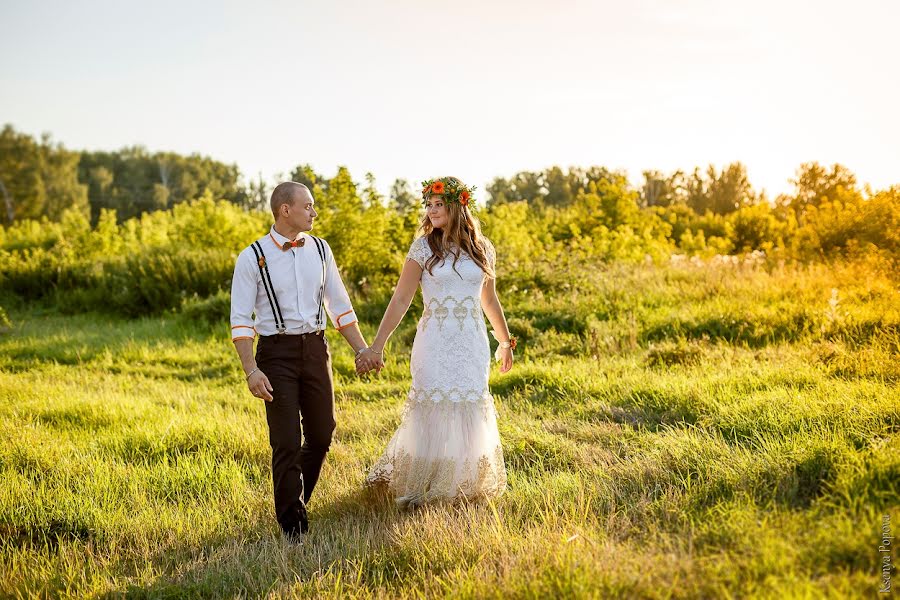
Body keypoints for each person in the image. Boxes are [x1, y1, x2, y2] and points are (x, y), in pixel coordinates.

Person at [230, 181, 382, 543]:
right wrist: (251, 370)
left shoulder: (320, 249)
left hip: (316, 349)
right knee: (285, 439)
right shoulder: (251, 256)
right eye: (308, 206)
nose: (314, 212)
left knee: (322, 433)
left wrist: (361, 349)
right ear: (286, 210)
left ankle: (296, 501)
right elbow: (240, 319)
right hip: (275, 354)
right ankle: (293, 528)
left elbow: (339, 305)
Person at [360, 176, 514, 507]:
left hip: (471, 342)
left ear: (458, 205)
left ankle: (463, 484)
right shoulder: (422, 247)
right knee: (432, 407)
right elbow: (401, 299)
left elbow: (489, 299)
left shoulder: (483, 248)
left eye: (438, 205)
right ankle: (423, 483)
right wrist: (377, 345)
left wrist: (503, 341)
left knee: (468, 405)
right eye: (428, 205)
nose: (431, 211)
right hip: (435, 342)